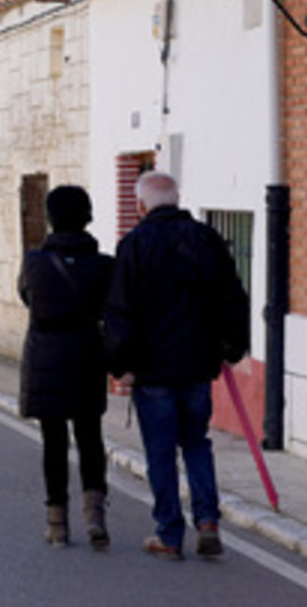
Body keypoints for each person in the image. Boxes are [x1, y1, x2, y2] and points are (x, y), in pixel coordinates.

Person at [103, 170, 250, 560]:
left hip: (154, 370)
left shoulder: (134, 245)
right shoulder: (206, 239)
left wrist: (121, 363)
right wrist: (233, 347)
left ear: (140, 205)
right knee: (197, 444)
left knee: (161, 451)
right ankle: (207, 520)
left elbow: (120, 311)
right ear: (177, 198)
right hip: (198, 364)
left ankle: (169, 532)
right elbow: (233, 295)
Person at [18, 184, 115, 548]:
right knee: (90, 437)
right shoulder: (105, 266)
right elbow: (112, 310)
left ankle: (57, 522)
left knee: (53, 442)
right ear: (87, 217)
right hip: (87, 355)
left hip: (46, 357)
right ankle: (95, 516)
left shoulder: (34, 262)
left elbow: (26, 296)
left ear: (51, 218)